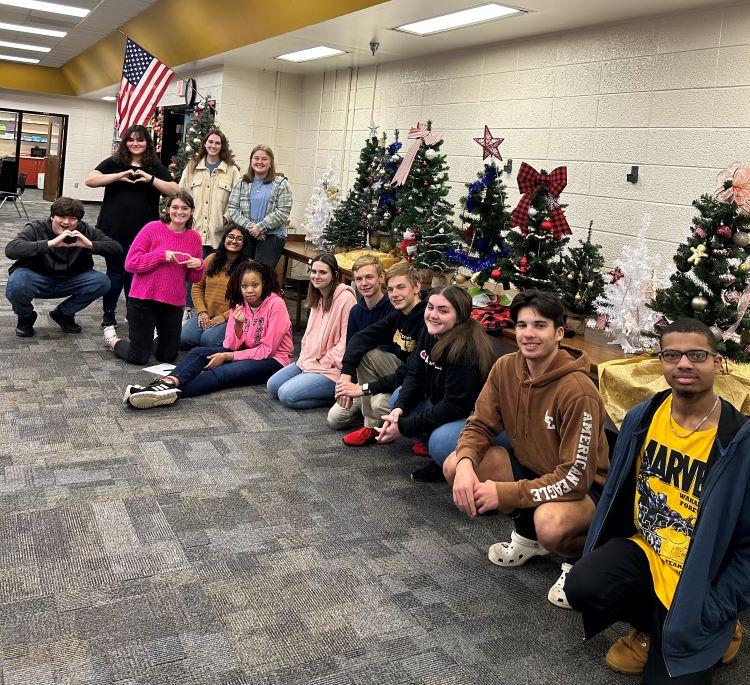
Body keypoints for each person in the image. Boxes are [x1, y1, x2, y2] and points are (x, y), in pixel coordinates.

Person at [565, 318, 747, 683]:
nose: (684, 363)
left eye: (697, 355)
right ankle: (651, 626)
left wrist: (716, 609)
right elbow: (615, 497)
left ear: (717, 362)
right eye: (672, 354)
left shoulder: (738, 444)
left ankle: (722, 629)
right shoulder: (642, 418)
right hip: (648, 552)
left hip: (700, 579)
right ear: (660, 361)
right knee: (582, 584)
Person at [443, 289, 609, 609]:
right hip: (533, 468)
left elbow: (575, 478)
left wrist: (504, 493)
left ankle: (579, 561)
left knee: (551, 523)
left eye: (539, 325)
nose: (528, 334)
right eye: (522, 325)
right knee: (455, 464)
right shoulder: (506, 367)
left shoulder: (578, 391)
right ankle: (528, 535)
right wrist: (464, 464)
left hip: (584, 488)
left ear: (559, 333)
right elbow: (480, 425)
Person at [124, 260, 293, 409]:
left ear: (264, 284)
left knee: (222, 372)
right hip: (246, 352)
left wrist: (227, 356)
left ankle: (165, 393)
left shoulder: (276, 304)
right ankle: (166, 384)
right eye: (244, 286)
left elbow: (267, 350)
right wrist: (238, 325)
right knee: (198, 352)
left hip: (273, 360)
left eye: (255, 285)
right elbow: (230, 345)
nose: (249, 290)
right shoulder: (240, 303)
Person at [376, 286, 496, 483]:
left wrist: (405, 427)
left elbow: (454, 407)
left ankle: (443, 458)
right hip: (445, 403)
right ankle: (437, 456)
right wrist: (399, 408)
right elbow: (415, 374)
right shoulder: (429, 332)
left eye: (443, 310)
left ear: (459, 317)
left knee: (439, 442)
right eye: (430, 307)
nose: (433, 315)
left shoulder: (466, 350)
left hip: (474, 418)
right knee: (398, 398)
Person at [85, 124, 179, 329]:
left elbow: (174, 190)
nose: (135, 143)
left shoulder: (154, 166)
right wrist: (119, 175)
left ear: (147, 143)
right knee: (115, 271)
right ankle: (109, 313)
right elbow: (90, 180)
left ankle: (132, 311)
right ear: (125, 142)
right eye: (131, 139)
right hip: (113, 227)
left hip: (144, 232)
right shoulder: (114, 162)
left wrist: (150, 179)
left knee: (135, 273)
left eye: (140, 139)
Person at [103, 191, 204, 365]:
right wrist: (160, 256)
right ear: (168, 209)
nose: (179, 212)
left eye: (185, 208)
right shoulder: (152, 228)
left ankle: (153, 337)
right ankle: (112, 339)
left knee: (168, 357)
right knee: (139, 357)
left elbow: (193, 278)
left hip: (173, 301)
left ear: (192, 211)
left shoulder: (194, 238)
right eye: (175, 207)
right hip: (144, 298)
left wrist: (199, 265)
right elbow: (131, 263)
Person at [334, 263, 426, 448]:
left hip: (423, 384)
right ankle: (371, 427)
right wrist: (346, 375)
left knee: (379, 404)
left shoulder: (427, 318)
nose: (394, 294)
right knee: (365, 353)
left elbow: (412, 372)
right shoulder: (399, 314)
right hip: (404, 375)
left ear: (416, 287)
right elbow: (361, 338)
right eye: (390, 289)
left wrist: (364, 389)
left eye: (401, 287)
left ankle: (426, 434)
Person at [5, 196, 121, 337]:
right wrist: (50, 244)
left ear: (78, 221)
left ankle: (64, 313)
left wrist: (89, 244)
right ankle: (25, 316)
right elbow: (11, 249)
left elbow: (116, 248)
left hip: (71, 279)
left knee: (102, 281)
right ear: (52, 216)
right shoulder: (36, 228)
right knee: (17, 282)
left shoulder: (85, 230)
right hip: (39, 278)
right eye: (61, 216)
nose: (66, 222)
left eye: (72, 218)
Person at [267, 253, 355, 409]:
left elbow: (347, 340)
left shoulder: (346, 298)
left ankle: (334, 397)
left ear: (334, 275)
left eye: (323, 272)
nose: (316, 276)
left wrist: (325, 361)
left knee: (286, 395)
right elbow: (309, 335)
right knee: (273, 386)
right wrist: (306, 358)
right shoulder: (317, 295)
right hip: (311, 360)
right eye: (313, 271)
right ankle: (311, 384)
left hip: (331, 368)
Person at [326, 254, 395, 431]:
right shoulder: (356, 311)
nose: (364, 283)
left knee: (368, 353)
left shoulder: (393, 307)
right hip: (361, 379)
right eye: (358, 279)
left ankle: (372, 419)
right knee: (335, 419)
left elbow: (389, 352)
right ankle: (365, 412)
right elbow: (351, 350)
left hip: (386, 376)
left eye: (369, 277)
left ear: (381, 277)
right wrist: (348, 386)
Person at [179, 128, 241, 313]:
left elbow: (237, 199)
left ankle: (210, 310)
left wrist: (226, 218)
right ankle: (188, 310)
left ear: (222, 146)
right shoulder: (192, 167)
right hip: (195, 231)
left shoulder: (231, 170)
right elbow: (182, 194)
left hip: (218, 234)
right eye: (210, 142)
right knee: (191, 270)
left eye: (217, 143)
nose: (213, 146)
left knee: (214, 274)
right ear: (205, 144)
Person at [180, 225, 252, 349]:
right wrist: (202, 312)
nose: (234, 241)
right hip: (206, 313)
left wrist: (224, 317)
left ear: (244, 243)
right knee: (184, 339)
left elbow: (249, 300)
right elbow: (198, 287)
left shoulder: (249, 266)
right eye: (230, 236)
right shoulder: (211, 259)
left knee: (208, 341)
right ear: (224, 239)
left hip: (231, 318)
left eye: (239, 238)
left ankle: (226, 340)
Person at [226, 144, 292, 268]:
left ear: (271, 163)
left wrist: (261, 227)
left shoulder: (281, 184)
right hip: (247, 233)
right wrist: (252, 228)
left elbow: (283, 211)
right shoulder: (241, 183)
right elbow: (233, 209)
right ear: (251, 161)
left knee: (260, 272)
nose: (259, 162)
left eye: (264, 159)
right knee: (242, 271)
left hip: (272, 235)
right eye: (256, 158)